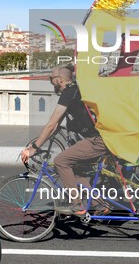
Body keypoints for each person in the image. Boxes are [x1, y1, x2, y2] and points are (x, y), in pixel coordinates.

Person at [20, 66, 109, 215]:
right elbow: (54, 127)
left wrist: (34, 149)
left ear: (59, 79)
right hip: (98, 138)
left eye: (51, 79)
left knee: (61, 161)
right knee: (74, 172)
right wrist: (35, 144)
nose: (51, 82)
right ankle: (99, 204)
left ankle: (78, 205)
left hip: (96, 140)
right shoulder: (75, 91)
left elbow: (51, 124)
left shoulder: (69, 93)